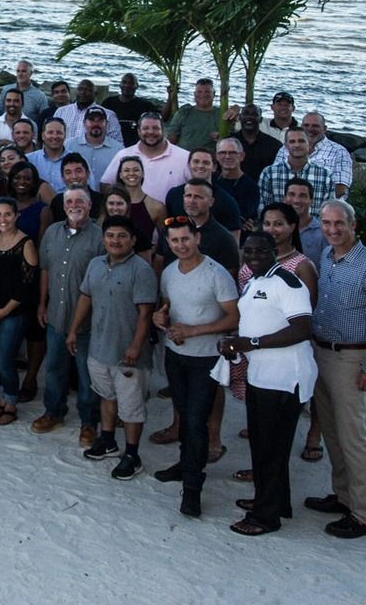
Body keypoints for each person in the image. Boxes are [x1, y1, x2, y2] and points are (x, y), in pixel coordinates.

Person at [306, 199, 366, 539]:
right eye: (327, 223)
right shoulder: (326, 259)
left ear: (353, 225)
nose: (332, 229)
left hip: (351, 360)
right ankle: (343, 496)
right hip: (323, 353)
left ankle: (363, 515)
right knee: (331, 432)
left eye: (339, 224)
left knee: (352, 438)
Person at [223, 231, 318, 536]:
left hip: (284, 378)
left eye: (261, 251)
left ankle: (266, 517)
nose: (253, 257)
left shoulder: (289, 283)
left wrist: (250, 342)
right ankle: (277, 503)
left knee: (272, 449)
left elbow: (302, 328)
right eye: (248, 252)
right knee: (263, 445)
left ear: (274, 250)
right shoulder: (253, 282)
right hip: (260, 377)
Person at [150, 217, 240, 517]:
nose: (180, 246)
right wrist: (159, 319)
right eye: (174, 241)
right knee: (183, 412)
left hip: (205, 357)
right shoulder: (169, 272)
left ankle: (193, 487)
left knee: (196, 420)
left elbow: (234, 318)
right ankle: (186, 463)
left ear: (197, 238)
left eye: (185, 239)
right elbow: (166, 306)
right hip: (175, 354)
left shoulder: (217, 274)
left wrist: (192, 331)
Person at [69, 215, 159, 480]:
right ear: (103, 239)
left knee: (131, 407)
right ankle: (108, 440)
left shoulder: (141, 270)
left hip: (128, 354)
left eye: (122, 236)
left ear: (132, 240)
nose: (115, 241)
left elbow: (145, 313)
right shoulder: (96, 264)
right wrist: (73, 330)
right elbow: (85, 298)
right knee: (106, 396)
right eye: (110, 235)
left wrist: (135, 345)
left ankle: (132, 454)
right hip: (99, 347)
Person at [32, 187, 105, 443]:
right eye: (69, 201)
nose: (74, 205)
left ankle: (88, 422)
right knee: (54, 369)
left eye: (79, 201)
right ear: (63, 207)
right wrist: (42, 304)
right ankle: (54, 411)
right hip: (55, 316)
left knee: (86, 375)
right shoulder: (52, 232)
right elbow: (45, 270)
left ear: (89, 206)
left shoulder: (99, 237)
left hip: (87, 322)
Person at [0, 198, 38, 426]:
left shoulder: (26, 244)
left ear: (16, 216)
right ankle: (2, 400)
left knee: (5, 358)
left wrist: (4, 311)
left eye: (7, 214)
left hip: (13, 313)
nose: (3, 219)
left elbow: (26, 285)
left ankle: (11, 403)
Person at [102, 112, 191, 202]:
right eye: (145, 128)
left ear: (163, 130)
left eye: (155, 128)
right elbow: (106, 184)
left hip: (171, 215)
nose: (151, 132)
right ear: (139, 131)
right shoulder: (124, 155)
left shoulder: (185, 157)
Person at [258, 127, 336, 211]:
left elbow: (329, 210)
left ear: (309, 144)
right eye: (292, 141)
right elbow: (263, 209)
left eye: (301, 141)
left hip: (315, 223)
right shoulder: (269, 173)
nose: (297, 145)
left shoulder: (325, 175)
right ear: (286, 146)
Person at [102, 73, 159, 146]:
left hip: (135, 147)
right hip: (111, 145)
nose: (127, 86)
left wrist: (171, 97)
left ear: (136, 86)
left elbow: (162, 118)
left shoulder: (145, 105)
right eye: (124, 82)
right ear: (120, 85)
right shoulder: (108, 103)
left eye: (131, 83)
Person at [166, 78, 221, 152]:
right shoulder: (183, 112)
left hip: (209, 159)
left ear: (214, 94)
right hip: (184, 157)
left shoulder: (221, 114)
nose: (203, 95)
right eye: (199, 92)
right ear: (194, 94)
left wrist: (220, 136)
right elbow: (171, 140)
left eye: (207, 92)